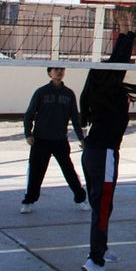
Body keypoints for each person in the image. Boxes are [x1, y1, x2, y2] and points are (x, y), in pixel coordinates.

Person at [78, 26, 136, 271]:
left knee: (102, 206)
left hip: (94, 153)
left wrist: (125, 34)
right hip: (103, 154)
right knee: (102, 207)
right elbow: (118, 64)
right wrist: (130, 36)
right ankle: (94, 259)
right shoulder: (106, 91)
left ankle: (102, 248)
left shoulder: (99, 93)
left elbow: (116, 64)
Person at [20, 66, 89, 214]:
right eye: (56, 69)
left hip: (60, 140)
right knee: (36, 172)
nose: (59, 72)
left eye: (61, 69)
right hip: (41, 140)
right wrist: (28, 134)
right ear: (49, 73)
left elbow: (75, 118)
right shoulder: (41, 92)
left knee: (69, 171)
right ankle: (29, 201)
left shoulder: (69, 94)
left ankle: (81, 199)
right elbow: (29, 115)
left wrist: (81, 138)